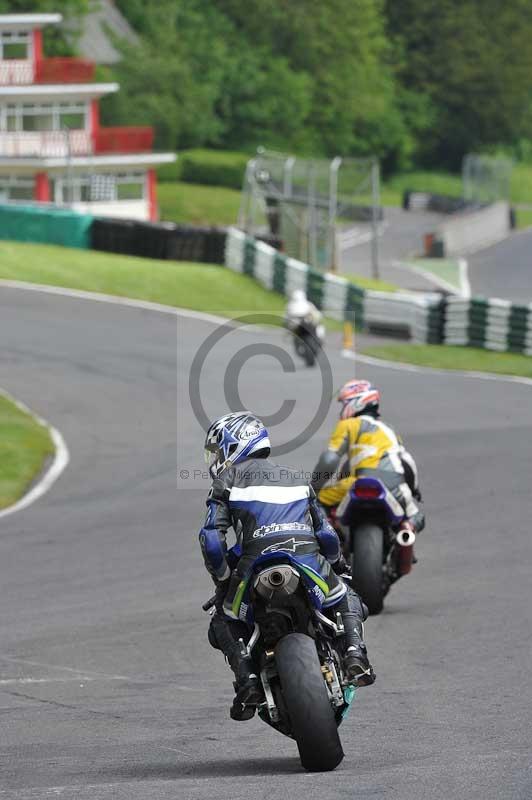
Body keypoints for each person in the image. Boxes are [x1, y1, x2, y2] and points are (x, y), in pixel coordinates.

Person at [199, 411, 375, 722]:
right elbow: (326, 534)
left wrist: (224, 580)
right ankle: (354, 653)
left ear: (232, 446)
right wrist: (338, 565)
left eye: (216, 451)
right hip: (305, 559)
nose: (214, 459)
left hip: (253, 565)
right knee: (346, 594)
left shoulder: (226, 481)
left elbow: (211, 541)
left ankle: (247, 682)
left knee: (222, 622)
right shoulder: (295, 476)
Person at [312, 380, 424, 541]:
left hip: (360, 480)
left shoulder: (349, 424)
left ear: (356, 402)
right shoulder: (389, 429)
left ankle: (331, 534)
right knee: (416, 516)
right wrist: (414, 489)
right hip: (395, 484)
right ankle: (407, 530)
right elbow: (407, 461)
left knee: (317, 502)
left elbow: (329, 459)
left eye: (344, 404)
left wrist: (315, 487)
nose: (343, 409)